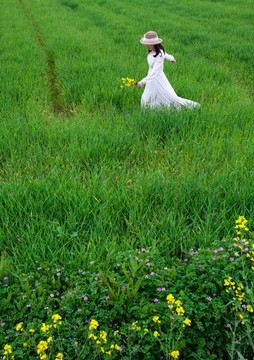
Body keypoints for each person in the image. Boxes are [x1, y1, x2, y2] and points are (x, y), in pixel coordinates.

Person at [136, 31, 200, 109]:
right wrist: (171, 58)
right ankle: (151, 111)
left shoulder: (159, 55)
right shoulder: (153, 51)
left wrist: (143, 81)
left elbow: (155, 71)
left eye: (148, 43)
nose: (146, 45)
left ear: (153, 43)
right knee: (147, 97)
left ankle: (191, 106)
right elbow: (166, 54)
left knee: (169, 97)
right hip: (151, 78)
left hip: (157, 77)